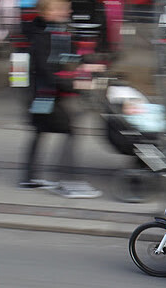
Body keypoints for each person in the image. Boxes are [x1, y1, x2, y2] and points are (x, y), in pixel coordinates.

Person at [19, 0, 101, 198]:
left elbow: (66, 56)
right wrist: (74, 84)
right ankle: (68, 182)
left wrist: (87, 63)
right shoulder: (41, 36)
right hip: (42, 98)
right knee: (68, 130)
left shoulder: (55, 31)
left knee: (40, 131)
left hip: (45, 97)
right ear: (49, 12)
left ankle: (29, 177)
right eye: (63, 8)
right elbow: (47, 71)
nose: (69, 10)